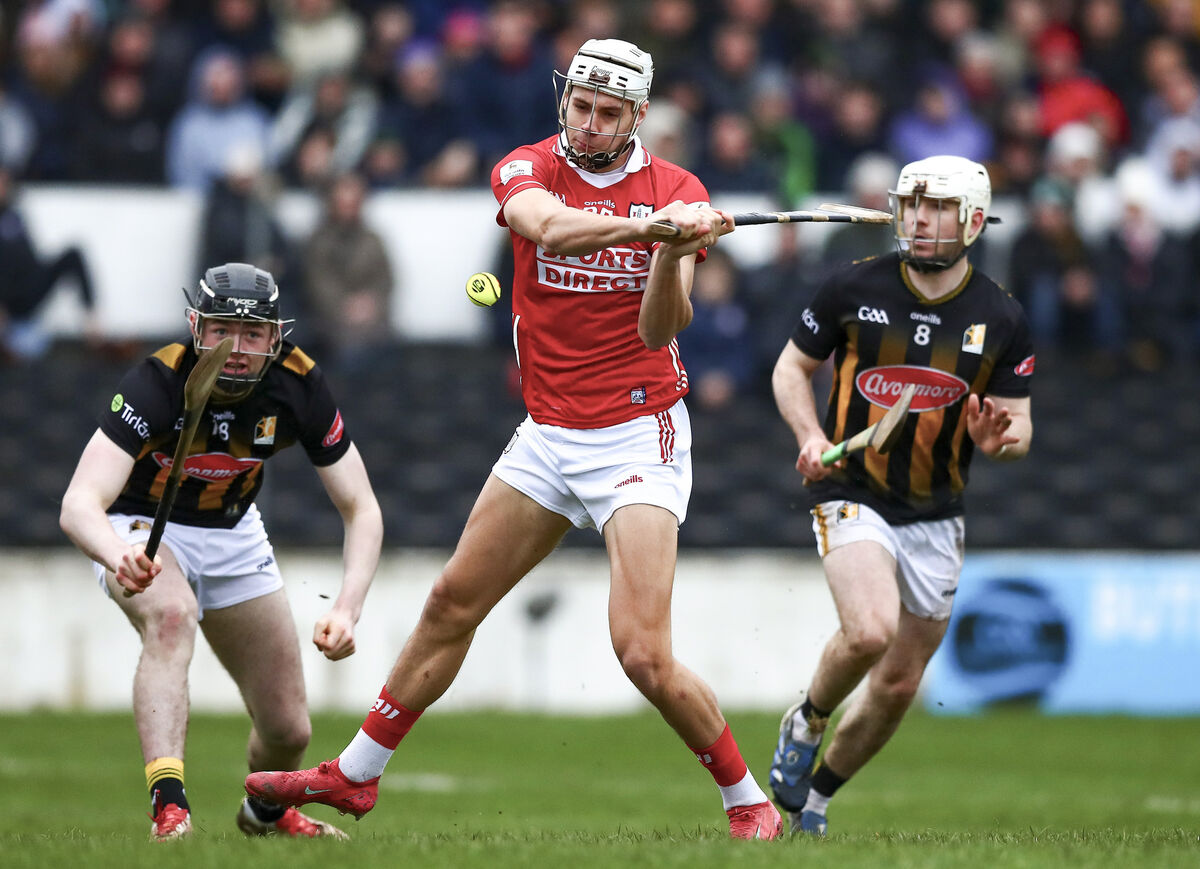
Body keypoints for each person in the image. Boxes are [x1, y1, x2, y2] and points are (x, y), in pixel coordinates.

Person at [244, 37, 783, 841]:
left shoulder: (677, 190)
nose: (590, 124)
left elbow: (661, 326)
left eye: (609, 113)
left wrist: (673, 249)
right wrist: (642, 232)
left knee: (641, 651)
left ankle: (750, 801)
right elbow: (548, 229)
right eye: (581, 105)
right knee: (452, 600)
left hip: (639, 430)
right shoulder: (525, 167)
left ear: (638, 116)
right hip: (549, 430)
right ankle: (356, 775)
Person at [58, 262, 383, 841]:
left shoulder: (298, 384)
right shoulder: (156, 384)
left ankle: (265, 813)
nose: (234, 349)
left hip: (234, 531)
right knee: (172, 614)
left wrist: (347, 607)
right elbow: (79, 501)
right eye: (220, 331)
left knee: (287, 729)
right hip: (138, 524)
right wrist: (116, 554)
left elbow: (362, 507)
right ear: (194, 326)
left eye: (252, 334)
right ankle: (170, 805)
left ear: (275, 337)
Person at [767, 155, 1034, 836]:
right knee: (870, 628)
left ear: (972, 220)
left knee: (896, 685)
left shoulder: (1001, 315)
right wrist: (807, 431)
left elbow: (1021, 428)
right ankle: (807, 718)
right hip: (851, 488)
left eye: (936, 206)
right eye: (911, 202)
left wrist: (996, 433)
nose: (917, 217)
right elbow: (791, 368)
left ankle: (816, 803)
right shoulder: (852, 286)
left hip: (938, 512)